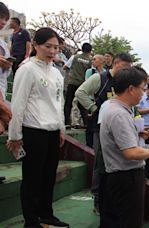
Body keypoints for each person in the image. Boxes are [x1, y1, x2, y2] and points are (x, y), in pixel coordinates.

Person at [7, 27, 69, 228]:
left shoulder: (57, 74)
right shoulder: (27, 69)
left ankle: (46, 214)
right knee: (33, 177)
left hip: (52, 131)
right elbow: (18, 104)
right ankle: (31, 220)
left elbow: (58, 103)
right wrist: (15, 135)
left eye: (56, 47)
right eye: (48, 46)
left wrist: (61, 129)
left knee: (49, 175)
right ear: (35, 45)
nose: (52, 51)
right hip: (33, 130)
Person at [100, 67, 149, 228]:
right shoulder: (119, 114)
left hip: (121, 176)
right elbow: (130, 152)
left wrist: (137, 135)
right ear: (131, 89)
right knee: (130, 221)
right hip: (126, 177)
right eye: (142, 89)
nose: (143, 94)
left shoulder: (116, 108)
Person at [75, 53, 133, 216]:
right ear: (114, 64)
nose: (126, 71)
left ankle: (111, 200)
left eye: (129, 68)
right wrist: (94, 108)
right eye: (123, 67)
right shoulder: (101, 78)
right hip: (100, 128)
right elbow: (80, 92)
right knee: (100, 164)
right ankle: (98, 199)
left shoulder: (126, 83)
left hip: (119, 130)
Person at [64, 43, 92, 126]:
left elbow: (65, 67)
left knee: (68, 103)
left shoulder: (74, 57)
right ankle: (86, 124)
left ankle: (66, 122)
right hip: (82, 84)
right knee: (82, 105)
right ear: (90, 50)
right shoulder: (90, 61)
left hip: (72, 82)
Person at [0, 2, 12, 135]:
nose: (3, 22)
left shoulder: (3, 43)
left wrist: (7, 66)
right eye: (0, 17)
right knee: (10, 115)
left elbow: (6, 74)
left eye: (5, 19)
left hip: (2, 88)